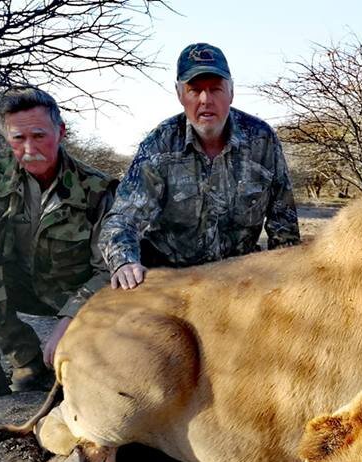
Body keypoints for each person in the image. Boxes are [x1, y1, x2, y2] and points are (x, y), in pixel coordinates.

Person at [0, 88, 118, 392]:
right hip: (17, 285)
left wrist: (69, 320)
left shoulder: (98, 188)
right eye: (18, 139)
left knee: (89, 374)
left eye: (39, 136)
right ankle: (25, 360)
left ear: (61, 132)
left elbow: (106, 270)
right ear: (7, 139)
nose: (29, 148)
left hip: (72, 292)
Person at [99, 43, 300, 290]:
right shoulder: (159, 144)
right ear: (179, 94)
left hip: (240, 283)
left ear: (231, 92)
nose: (206, 100)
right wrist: (124, 261)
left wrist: (285, 280)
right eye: (194, 90)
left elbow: (284, 224)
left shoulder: (262, 139)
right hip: (171, 283)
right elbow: (121, 220)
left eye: (216, 89)